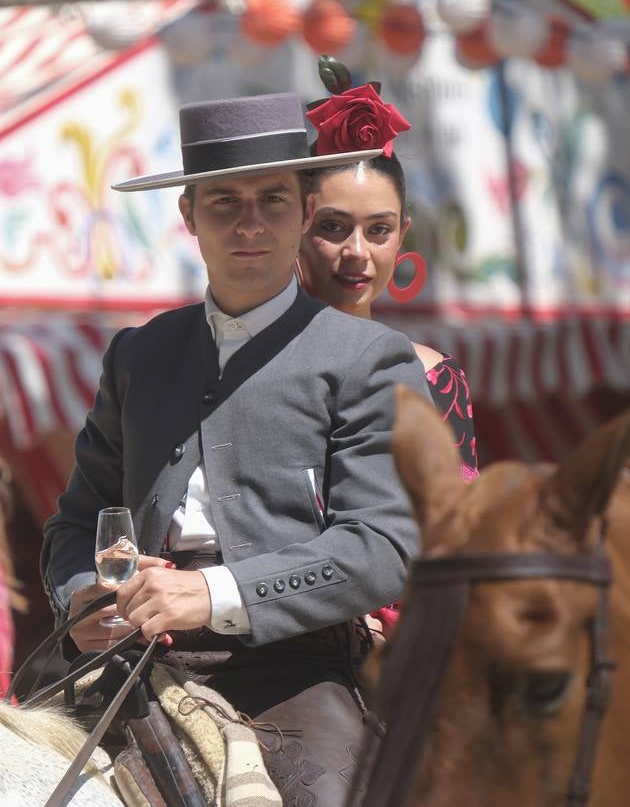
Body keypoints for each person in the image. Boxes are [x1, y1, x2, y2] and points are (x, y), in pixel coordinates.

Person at [40, 91, 430, 804]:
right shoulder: (139, 354)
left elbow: (384, 547)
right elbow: (74, 521)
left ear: (305, 211)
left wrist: (210, 592)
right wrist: (80, 598)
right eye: (223, 202)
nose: (250, 223)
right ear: (188, 217)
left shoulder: (369, 359)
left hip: (290, 667)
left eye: (273, 200)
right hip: (126, 660)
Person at [298, 153, 478, 482]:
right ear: (296, 226)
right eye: (333, 227)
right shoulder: (249, 364)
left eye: (379, 229)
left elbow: (458, 523)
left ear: (401, 234)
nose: (357, 251)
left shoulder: (433, 375)